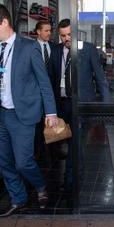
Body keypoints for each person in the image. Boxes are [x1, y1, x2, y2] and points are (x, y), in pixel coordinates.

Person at [0, 4, 58, 217]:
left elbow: (44, 82)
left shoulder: (29, 47)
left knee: (23, 162)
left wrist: (51, 112)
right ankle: (18, 200)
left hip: (23, 114)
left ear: (4, 21)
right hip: (1, 115)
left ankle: (41, 186)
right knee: (5, 162)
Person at [49, 19, 111, 189]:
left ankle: (71, 178)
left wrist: (107, 106)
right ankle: (75, 172)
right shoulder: (55, 51)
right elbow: (51, 80)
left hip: (81, 104)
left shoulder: (88, 49)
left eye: (69, 35)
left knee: (76, 142)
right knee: (68, 142)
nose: (66, 39)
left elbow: (100, 77)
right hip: (62, 105)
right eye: (63, 36)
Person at [33, 20, 63, 162]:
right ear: (38, 32)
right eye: (46, 30)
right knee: (39, 122)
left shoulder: (54, 47)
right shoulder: (31, 48)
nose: (49, 33)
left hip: (53, 92)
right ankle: (40, 151)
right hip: (36, 92)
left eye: (50, 30)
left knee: (53, 120)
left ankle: (54, 149)